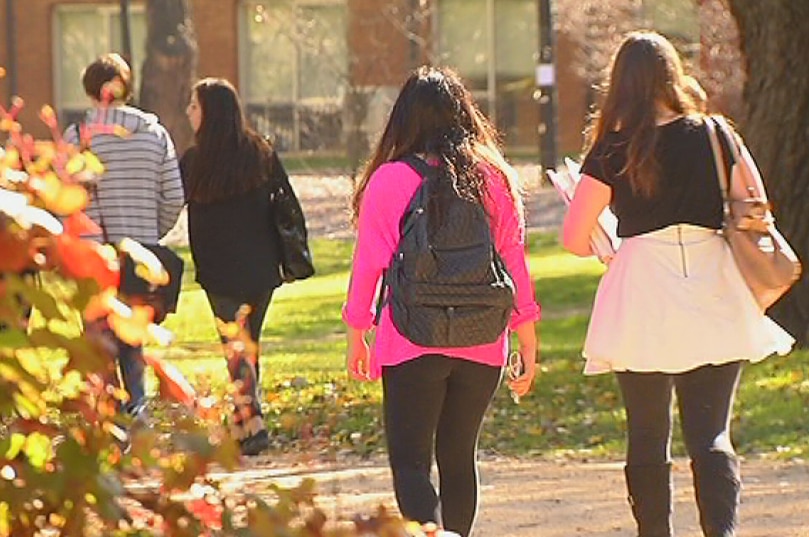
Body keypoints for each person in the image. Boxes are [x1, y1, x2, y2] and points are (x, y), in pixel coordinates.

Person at [561, 31, 793, 537]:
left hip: (642, 285)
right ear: (673, 75)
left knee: (646, 434)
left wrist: (607, 242)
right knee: (711, 432)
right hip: (713, 280)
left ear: (620, 84)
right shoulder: (715, 134)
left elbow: (575, 237)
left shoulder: (613, 147)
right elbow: (754, 205)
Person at [343, 66, 540, 537]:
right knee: (458, 460)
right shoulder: (494, 178)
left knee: (411, 466)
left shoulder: (389, 180)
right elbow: (513, 259)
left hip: (410, 338)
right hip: (482, 340)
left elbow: (369, 262)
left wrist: (357, 332)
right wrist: (526, 336)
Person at [63, 53, 185, 422]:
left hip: (95, 254)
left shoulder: (80, 136)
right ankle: (138, 409)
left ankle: (111, 415)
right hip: (143, 251)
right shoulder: (154, 133)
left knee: (98, 342)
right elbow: (174, 195)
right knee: (132, 337)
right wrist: (151, 230)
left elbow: (71, 201)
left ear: (90, 89)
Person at [180, 77, 286, 456]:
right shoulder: (260, 152)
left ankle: (253, 421)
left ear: (209, 113)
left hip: (219, 269)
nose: (189, 113)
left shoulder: (195, 162)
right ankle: (243, 423)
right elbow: (284, 200)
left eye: (194, 106)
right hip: (260, 266)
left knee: (236, 345)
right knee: (247, 344)